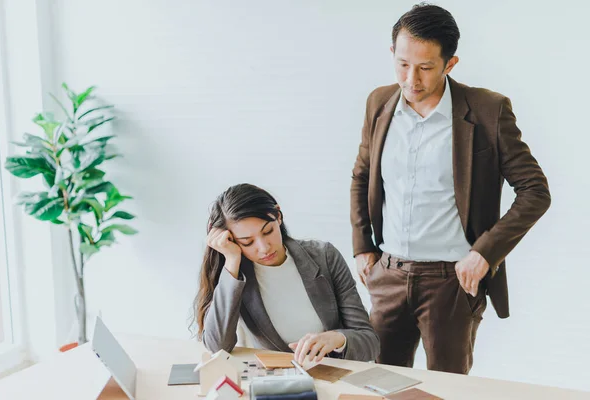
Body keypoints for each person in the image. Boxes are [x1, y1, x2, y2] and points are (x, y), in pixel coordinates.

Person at [350, 4, 551, 374]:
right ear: (392, 53)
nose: (411, 79)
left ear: (450, 64)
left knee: (446, 390)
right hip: (388, 275)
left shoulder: (488, 110)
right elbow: (362, 175)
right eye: (403, 64)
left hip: (452, 282)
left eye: (425, 67)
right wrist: (363, 247)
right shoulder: (379, 103)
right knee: (377, 383)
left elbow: (535, 190)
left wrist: (485, 253)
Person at [193, 183, 380, 364]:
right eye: (247, 242)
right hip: (275, 382)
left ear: (278, 216)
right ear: (232, 241)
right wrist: (232, 262)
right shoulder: (235, 276)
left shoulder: (324, 257)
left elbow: (369, 342)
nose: (264, 248)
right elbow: (218, 347)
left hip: (333, 375)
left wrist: (337, 339)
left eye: (268, 231)